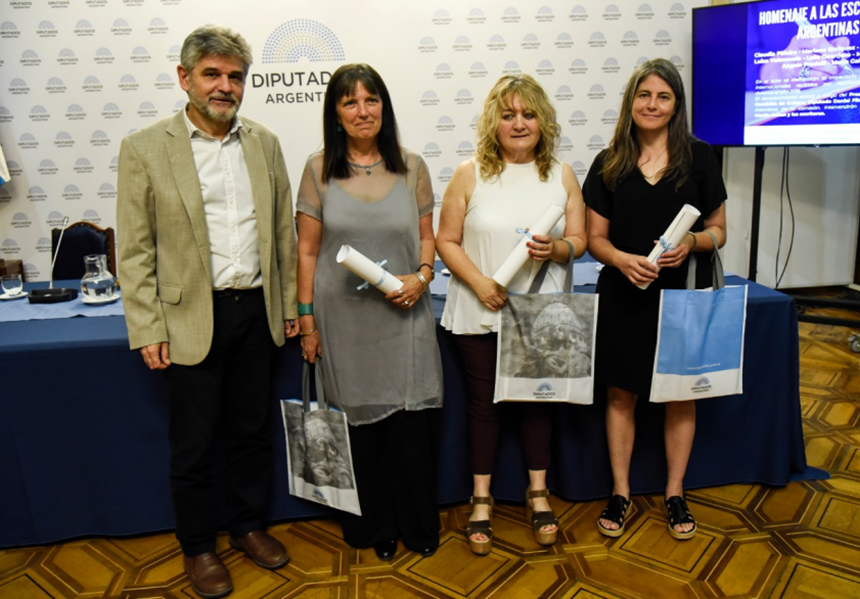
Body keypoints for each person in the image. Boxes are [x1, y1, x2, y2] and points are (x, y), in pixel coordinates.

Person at [116, 24, 298, 599]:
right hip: (190, 319)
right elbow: (135, 249)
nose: (225, 87)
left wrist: (290, 304)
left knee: (251, 433)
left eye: (235, 76)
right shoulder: (144, 148)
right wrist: (146, 324)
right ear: (184, 78)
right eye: (212, 75)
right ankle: (198, 546)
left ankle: (246, 526)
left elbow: (283, 237)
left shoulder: (264, 143)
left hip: (256, 311)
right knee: (193, 444)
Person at [295, 63, 444, 562]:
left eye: (372, 99)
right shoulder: (317, 170)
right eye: (350, 102)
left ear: (385, 106)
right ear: (335, 114)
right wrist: (308, 321)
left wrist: (421, 277)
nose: (363, 111)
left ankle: (420, 525)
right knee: (362, 433)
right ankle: (376, 527)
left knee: (411, 429)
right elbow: (307, 253)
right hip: (344, 322)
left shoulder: (413, 166)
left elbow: (428, 238)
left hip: (405, 314)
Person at [436, 74, 587, 555]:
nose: (518, 123)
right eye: (508, 114)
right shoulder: (469, 172)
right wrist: (481, 283)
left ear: (542, 120)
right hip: (481, 309)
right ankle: (481, 500)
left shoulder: (561, 175)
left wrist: (557, 248)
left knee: (536, 404)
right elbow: (445, 241)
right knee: (485, 407)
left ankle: (537, 492)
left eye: (527, 114)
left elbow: (580, 243)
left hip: (541, 314)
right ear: (493, 122)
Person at [582, 58, 727, 541]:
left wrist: (693, 244)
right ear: (630, 102)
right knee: (621, 393)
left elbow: (720, 232)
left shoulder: (701, 158)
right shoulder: (608, 163)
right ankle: (621, 492)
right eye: (644, 95)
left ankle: (674, 492)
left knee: (679, 395)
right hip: (624, 294)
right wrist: (622, 260)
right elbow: (594, 239)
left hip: (681, 297)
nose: (652, 104)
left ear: (676, 105)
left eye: (663, 96)